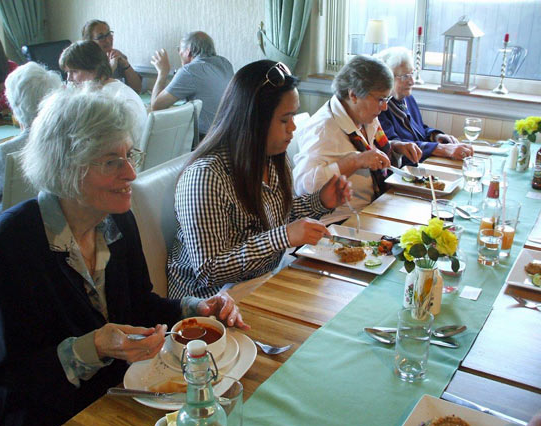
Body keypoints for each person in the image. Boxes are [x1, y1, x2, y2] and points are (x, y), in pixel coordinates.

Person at [0, 85, 248, 426]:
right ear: (67, 168)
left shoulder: (116, 219)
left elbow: (139, 304)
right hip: (48, 417)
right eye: (111, 162)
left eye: (129, 155)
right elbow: (14, 375)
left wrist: (194, 309)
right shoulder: (14, 241)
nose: (131, 175)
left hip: (116, 397)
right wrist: (93, 346)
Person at [167, 60, 352, 299]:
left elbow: (275, 217)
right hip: (210, 304)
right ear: (254, 120)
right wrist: (283, 236)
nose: (293, 127)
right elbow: (208, 270)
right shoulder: (206, 176)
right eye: (285, 120)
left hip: (262, 281)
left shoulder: (271, 158)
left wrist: (321, 202)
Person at [293, 55, 422, 211]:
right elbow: (302, 186)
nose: (385, 107)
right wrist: (355, 161)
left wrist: (395, 147)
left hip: (376, 206)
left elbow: (368, 149)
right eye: (381, 99)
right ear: (353, 95)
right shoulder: (323, 129)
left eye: (386, 99)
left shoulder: (363, 116)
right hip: (344, 220)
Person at [0, 62, 62, 217]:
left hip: (11, 228)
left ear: (15, 104)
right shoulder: (69, 140)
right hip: (58, 222)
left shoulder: (5, 152)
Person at [376, 47, 473, 162]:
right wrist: (442, 149)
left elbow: (419, 130)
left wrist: (435, 136)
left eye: (412, 73)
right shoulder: (380, 108)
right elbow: (396, 147)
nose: (412, 81)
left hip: (423, 163)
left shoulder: (408, 99)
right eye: (405, 76)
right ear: (388, 78)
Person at [150, 31, 233, 139]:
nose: (179, 53)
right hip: (228, 134)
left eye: (179, 49)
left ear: (188, 52)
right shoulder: (225, 64)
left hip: (204, 140)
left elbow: (157, 105)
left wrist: (162, 72)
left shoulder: (190, 71)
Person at [59, 40, 147, 137]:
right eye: (67, 72)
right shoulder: (110, 89)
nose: (69, 78)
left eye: (74, 71)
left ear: (94, 69)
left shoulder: (110, 99)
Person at [81, 19, 142, 93]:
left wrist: (126, 65)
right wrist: (111, 67)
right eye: (101, 37)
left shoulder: (116, 56)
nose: (107, 40)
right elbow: (94, 91)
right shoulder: (85, 63)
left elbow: (137, 89)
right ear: (89, 42)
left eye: (108, 34)